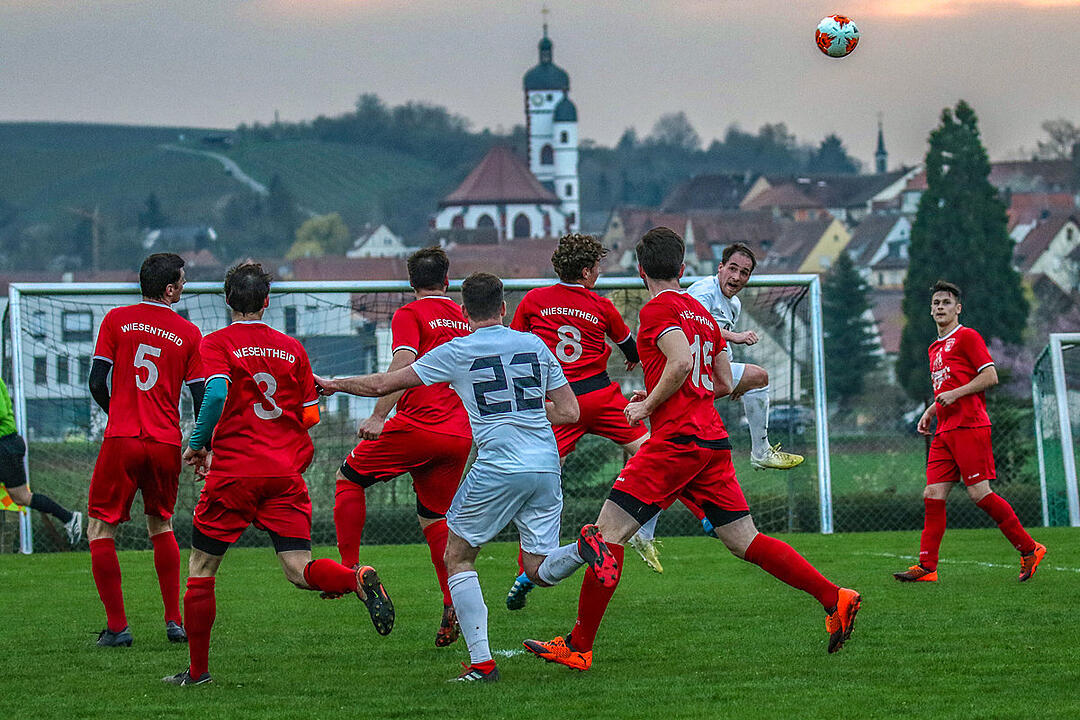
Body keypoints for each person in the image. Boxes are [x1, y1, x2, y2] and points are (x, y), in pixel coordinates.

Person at [523, 227, 861, 672]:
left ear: (640, 270)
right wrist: (691, 398)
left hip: (676, 443)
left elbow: (681, 363)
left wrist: (647, 405)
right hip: (711, 441)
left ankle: (579, 647)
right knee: (745, 540)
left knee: (605, 537)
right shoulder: (701, 312)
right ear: (683, 269)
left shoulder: (659, 308)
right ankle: (833, 596)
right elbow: (722, 381)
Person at [315, 272, 617, 683]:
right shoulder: (534, 344)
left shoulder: (458, 350)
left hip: (498, 466)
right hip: (546, 465)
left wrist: (334, 384)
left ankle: (482, 664)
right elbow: (570, 412)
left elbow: (387, 382)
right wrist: (526, 417)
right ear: (505, 308)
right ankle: (584, 550)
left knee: (457, 556)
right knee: (537, 566)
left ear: (463, 311)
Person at [164, 262, 394, 687]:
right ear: (267, 302)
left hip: (235, 472)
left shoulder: (215, 343)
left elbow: (214, 392)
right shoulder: (293, 349)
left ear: (227, 299)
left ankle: (197, 674)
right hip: (284, 473)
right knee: (298, 567)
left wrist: (199, 444)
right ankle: (354, 578)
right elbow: (309, 416)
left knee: (201, 567)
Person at [331, 246, 472, 647]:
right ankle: (451, 602)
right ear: (447, 281)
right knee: (434, 519)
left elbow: (401, 366)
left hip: (418, 426)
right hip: (459, 436)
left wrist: (378, 416)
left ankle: (350, 571)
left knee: (349, 478)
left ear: (412, 284)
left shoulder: (410, 313)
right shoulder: (465, 319)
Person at [504, 233, 651, 607]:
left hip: (555, 404)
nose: (599, 272)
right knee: (651, 452)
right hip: (600, 398)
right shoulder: (601, 305)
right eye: (597, 266)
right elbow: (630, 347)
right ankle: (698, 520)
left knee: (543, 483)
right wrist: (632, 357)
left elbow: (515, 346)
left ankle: (530, 567)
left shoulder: (535, 300)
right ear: (586, 271)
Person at [87, 253, 205, 647]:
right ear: (169, 289)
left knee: (100, 527)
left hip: (121, 438)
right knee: (162, 523)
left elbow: (96, 381)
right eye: (182, 282)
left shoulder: (115, 320)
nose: (185, 286)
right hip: (164, 442)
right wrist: (200, 442)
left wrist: (119, 411)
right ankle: (174, 622)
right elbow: (201, 393)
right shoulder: (189, 333)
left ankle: (118, 628)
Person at [893, 280, 1046, 583]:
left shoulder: (967, 337)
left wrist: (956, 395)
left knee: (979, 493)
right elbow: (946, 390)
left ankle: (1030, 549)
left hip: (970, 426)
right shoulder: (934, 348)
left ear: (958, 308)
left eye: (946, 303)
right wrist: (931, 410)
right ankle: (927, 567)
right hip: (945, 429)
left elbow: (990, 377)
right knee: (933, 493)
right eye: (936, 303)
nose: (940, 308)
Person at [687, 243, 804, 471]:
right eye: (732, 268)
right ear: (720, 267)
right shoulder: (704, 291)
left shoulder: (734, 304)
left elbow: (718, 346)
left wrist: (735, 379)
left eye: (744, 273)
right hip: (688, 371)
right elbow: (696, 326)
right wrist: (736, 336)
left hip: (709, 373)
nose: (737, 277)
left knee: (758, 378)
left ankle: (761, 452)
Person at [0, 377, 82, 545]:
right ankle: (68, 517)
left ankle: (69, 517)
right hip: (7, 445)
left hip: (5, 445)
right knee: (21, 497)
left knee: (21, 497)